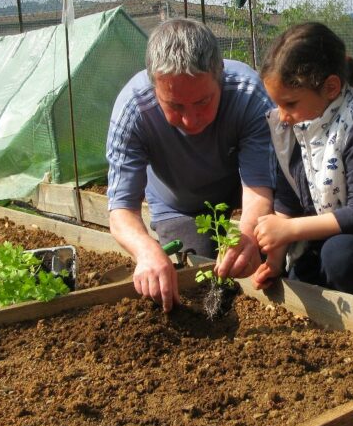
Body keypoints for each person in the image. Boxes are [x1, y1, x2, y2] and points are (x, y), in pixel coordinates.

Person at [106, 18, 275, 311]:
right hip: (179, 205)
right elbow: (121, 210)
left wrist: (246, 234)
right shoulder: (133, 111)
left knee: (268, 259)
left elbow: (260, 186)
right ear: (153, 85)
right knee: (196, 276)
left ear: (219, 75)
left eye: (203, 102)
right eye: (174, 106)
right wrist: (146, 250)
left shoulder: (248, 94)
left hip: (241, 190)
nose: (190, 120)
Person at [250, 22, 353, 300]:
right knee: (299, 272)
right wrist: (275, 259)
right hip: (330, 239)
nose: (282, 115)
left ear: (330, 87)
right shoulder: (297, 126)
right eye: (277, 104)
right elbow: (288, 203)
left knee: (338, 257)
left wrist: (289, 230)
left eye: (290, 103)